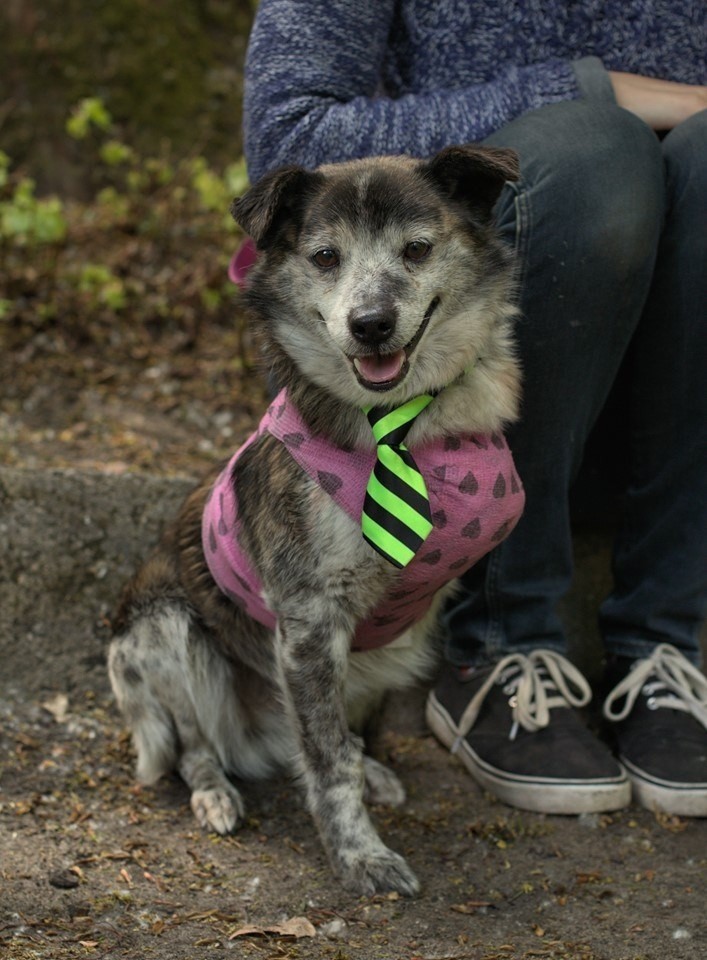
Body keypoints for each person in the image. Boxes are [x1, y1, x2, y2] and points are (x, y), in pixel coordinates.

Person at [240, 0, 707, 817]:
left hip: (665, 379)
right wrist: (587, 93)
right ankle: (501, 646)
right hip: (427, 409)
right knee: (599, 150)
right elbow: (286, 139)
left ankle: (664, 641)